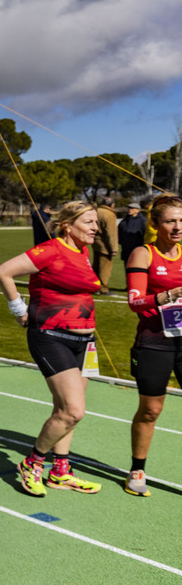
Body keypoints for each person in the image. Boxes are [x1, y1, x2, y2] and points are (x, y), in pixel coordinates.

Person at [0, 200, 104, 497]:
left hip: (86, 342)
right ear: (68, 225)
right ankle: (33, 463)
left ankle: (60, 471)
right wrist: (19, 309)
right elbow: (4, 271)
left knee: (63, 408)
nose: (97, 228)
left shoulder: (83, 252)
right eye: (90, 222)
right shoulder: (51, 249)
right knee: (73, 411)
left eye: (97, 223)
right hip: (51, 336)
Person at [123, 195, 182, 496]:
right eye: (171, 220)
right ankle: (137, 468)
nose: (177, 227)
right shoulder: (143, 254)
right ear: (156, 223)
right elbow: (135, 302)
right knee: (150, 410)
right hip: (154, 342)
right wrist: (169, 295)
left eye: (181, 221)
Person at [92, 196, 118, 294]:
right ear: (112, 205)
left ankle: (94, 286)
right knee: (105, 268)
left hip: (96, 242)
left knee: (96, 266)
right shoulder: (109, 214)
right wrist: (113, 248)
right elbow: (110, 233)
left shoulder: (96, 211)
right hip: (105, 245)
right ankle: (103, 288)